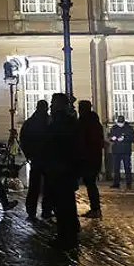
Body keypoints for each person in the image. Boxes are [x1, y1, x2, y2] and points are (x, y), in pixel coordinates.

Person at [45, 93, 82, 249]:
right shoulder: (67, 121)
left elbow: (58, 144)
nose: (51, 106)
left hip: (61, 167)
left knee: (62, 203)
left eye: (54, 103)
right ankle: (69, 232)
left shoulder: (61, 122)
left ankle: (65, 235)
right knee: (66, 202)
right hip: (65, 167)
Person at [19, 100, 51, 220]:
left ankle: (32, 210)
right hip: (45, 157)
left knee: (35, 186)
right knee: (46, 186)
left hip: (37, 157)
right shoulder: (49, 121)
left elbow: (23, 139)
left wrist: (29, 154)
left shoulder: (30, 122)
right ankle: (46, 210)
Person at [77, 100, 105, 217]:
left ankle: (95, 208)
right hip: (93, 157)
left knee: (90, 183)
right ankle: (95, 208)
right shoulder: (95, 123)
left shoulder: (86, 122)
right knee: (90, 183)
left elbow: (83, 140)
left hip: (88, 158)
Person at [109, 114, 134, 189]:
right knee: (116, 168)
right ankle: (116, 183)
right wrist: (112, 138)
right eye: (119, 122)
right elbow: (110, 136)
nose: (120, 124)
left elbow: (133, 139)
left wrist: (124, 139)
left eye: (121, 123)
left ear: (124, 122)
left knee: (127, 167)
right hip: (116, 151)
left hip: (125, 151)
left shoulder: (129, 128)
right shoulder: (114, 127)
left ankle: (128, 183)